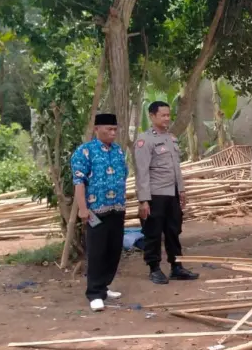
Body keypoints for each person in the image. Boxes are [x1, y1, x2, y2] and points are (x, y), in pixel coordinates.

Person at [135, 101, 199, 285]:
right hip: (155, 194)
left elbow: (176, 168)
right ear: (152, 116)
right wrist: (144, 200)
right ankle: (154, 268)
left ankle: (176, 267)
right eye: (162, 115)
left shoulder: (171, 139)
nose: (166, 119)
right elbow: (142, 171)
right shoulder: (145, 140)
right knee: (153, 232)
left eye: (168, 115)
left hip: (172, 194)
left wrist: (182, 190)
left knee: (173, 230)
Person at [71, 113, 128, 312]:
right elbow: (79, 182)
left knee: (114, 250)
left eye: (115, 130)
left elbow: (124, 175)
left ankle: (104, 286)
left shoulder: (119, 151)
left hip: (117, 208)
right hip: (95, 211)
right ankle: (94, 293)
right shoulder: (85, 151)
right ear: (97, 129)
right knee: (97, 251)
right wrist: (83, 209)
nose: (113, 133)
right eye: (108, 130)